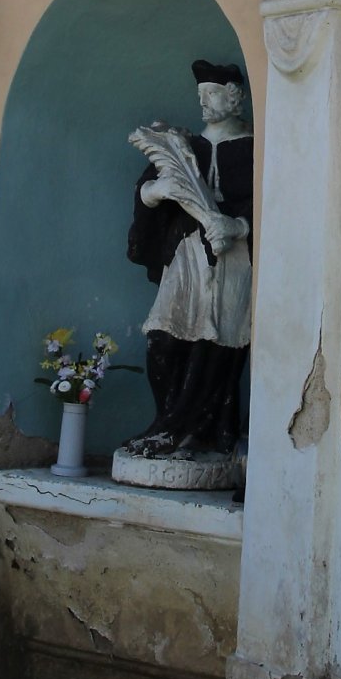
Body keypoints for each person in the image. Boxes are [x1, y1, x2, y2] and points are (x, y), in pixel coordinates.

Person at [125, 59, 253, 458]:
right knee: (162, 338)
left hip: (235, 262)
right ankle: (166, 424)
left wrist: (240, 226)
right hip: (185, 259)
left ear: (235, 98)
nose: (204, 102)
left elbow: (275, 199)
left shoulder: (255, 148)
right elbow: (145, 194)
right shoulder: (186, 147)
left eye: (212, 93)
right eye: (200, 95)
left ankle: (195, 434)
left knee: (213, 346)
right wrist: (155, 191)